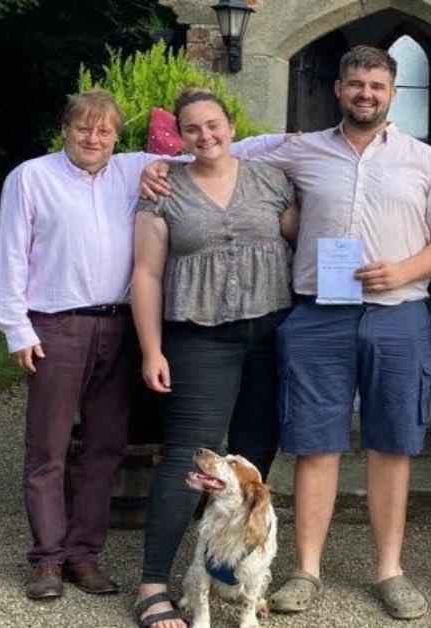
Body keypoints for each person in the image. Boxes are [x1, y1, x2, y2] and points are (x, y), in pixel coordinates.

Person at [140, 44, 431, 620]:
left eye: (378, 85)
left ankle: (390, 571)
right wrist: (154, 165)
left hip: (397, 312)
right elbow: (217, 149)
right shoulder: (297, 150)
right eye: (356, 83)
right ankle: (306, 571)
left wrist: (405, 270)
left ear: (391, 92)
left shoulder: (423, 159)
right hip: (319, 315)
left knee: (392, 444)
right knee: (316, 444)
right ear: (339, 89)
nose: (366, 93)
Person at [129, 88, 298, 628]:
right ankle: (153, 584)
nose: (206, 136)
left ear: (231, 125)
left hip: (269, 333)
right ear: (179, 137)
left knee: (251, 460)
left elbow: (308, 239)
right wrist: (152, 348)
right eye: (193, 129)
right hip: (200, 337)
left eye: (214, 125)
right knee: (187, 458)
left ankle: (234, 575)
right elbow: (147, 274)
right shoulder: (163, 191)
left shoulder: (271, 180)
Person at [0, 90, 169, 600]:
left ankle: (83, 555)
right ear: (65, 129)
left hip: (119, 328)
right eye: (84, 128)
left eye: (105, 130)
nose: (94, 139)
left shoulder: (133, 169)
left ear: (118, 136)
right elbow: (10, 254)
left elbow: (215, 149)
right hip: (56, 326)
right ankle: (46, 560)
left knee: (106, 446)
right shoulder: (32, 178)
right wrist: (16, 328)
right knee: (47, 447)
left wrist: (294, 143)